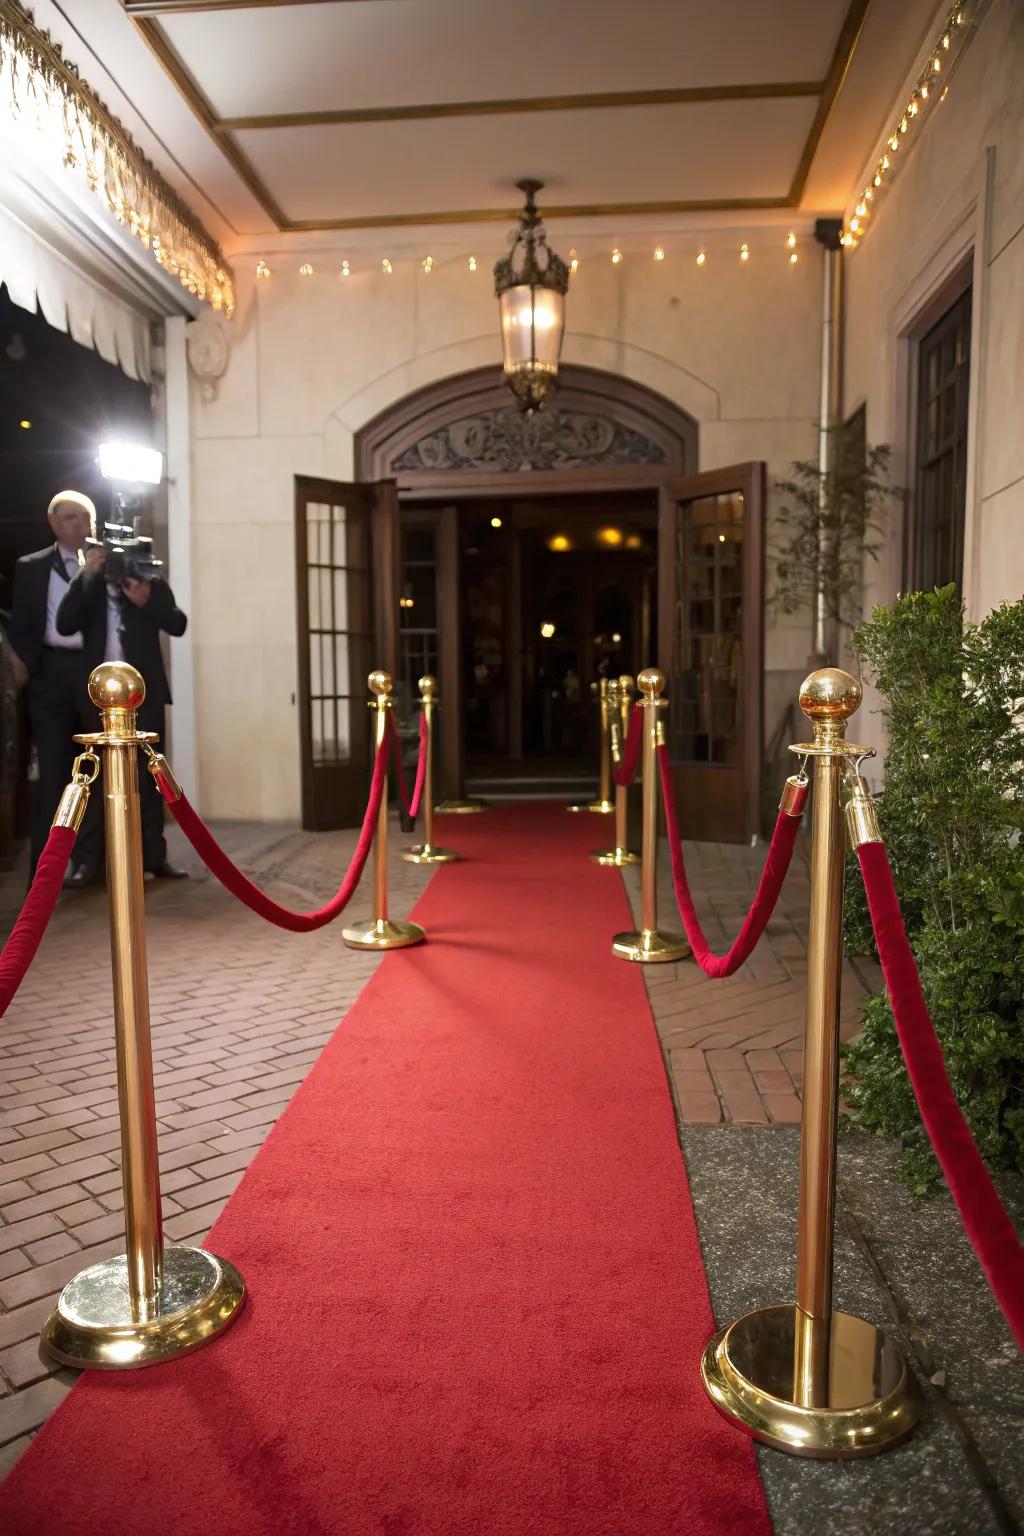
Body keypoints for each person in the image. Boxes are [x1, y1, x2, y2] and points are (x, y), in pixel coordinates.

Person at [56, 521, 188, 884]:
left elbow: (178, 624)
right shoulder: (90, 583)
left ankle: (154, 857)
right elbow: (65, 623)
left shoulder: (148, 580)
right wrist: (87, 574)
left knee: (150, 776)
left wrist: (146, 599)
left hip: (143, 693)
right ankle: (89, 861)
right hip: (97, 696)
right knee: (94, 776)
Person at [7, 491, 104, 883]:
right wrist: (33, 668)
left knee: (94, 768)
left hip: (91, 672)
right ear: (53, 523)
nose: (79, 525)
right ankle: (45, 870)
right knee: (52, 774)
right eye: (70, 518)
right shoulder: (30, 567)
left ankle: (91, 862)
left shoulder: (105, 566)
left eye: (84, 517)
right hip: (49, 674)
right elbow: (22, 626)